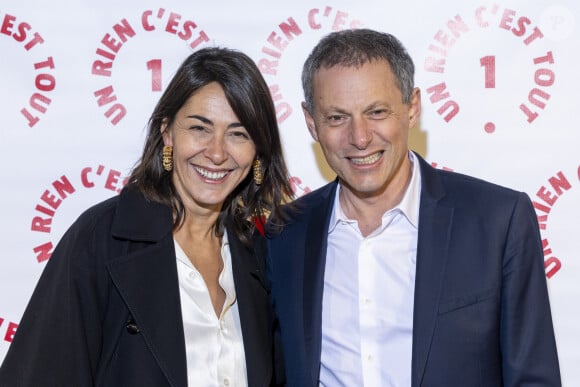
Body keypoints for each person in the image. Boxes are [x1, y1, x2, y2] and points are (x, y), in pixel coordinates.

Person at [266, 28, 561, 386]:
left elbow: (534, 378)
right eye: (337, 118)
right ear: (312, 123)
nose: (359, 138)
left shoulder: (498, 221)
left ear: (412, 108)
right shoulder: (284, 233)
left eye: (376, 112)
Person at [0, 47, 292, 387]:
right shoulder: (102, 239)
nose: (216, 152)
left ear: (258, 150)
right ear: (168, 133)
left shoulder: (258, 250)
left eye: (238, 134)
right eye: (200, 128)